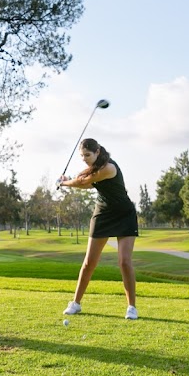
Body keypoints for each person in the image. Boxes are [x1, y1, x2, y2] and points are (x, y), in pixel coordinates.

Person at [58, 137, 140, 320]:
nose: (85, 158)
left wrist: (64, 183)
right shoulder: (95, 168)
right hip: (103, 214)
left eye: (87, 155)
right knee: (89, 262)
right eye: (82, 156)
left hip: (124, 214)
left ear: (97, 152)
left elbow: (82, 182)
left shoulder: (109, 168)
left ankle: (132, 308)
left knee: (124, 262)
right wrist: (68, 179)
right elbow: (85, 184)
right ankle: (76, 303)